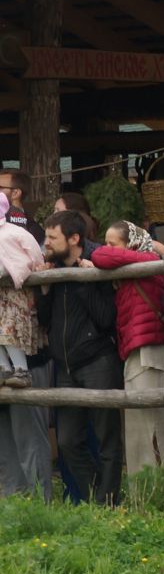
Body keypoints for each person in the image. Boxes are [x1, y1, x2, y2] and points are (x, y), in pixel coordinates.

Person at [35, 212, 123, 502]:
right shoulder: (53, 266)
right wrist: (45, 289)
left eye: (52, 238)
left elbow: (105, 317)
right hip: (65, 366)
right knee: (67, 441)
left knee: (107, 438)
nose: (45, 243)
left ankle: (108, 503)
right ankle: (95, 498)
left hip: (98, 359)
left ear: (74, 239)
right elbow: (46, 319)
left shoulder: (98, 261)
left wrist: (84, 279)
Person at [90, 222, 164, 477]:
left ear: (130, 243)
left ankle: (149, 489)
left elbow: (99, 256)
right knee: (143, 424)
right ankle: (151, 488)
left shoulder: (147, 265)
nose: (107, 247)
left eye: (113, 243)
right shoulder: (144, 264)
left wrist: (144, 257)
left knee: (144, 427)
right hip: (140, 349)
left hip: (147, 353)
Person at [0, 213, 52, 498]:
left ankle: (39, 503)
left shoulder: (18, 230)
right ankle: (12, 500)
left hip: (28, 361)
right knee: (4, 445)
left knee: (29, 436)